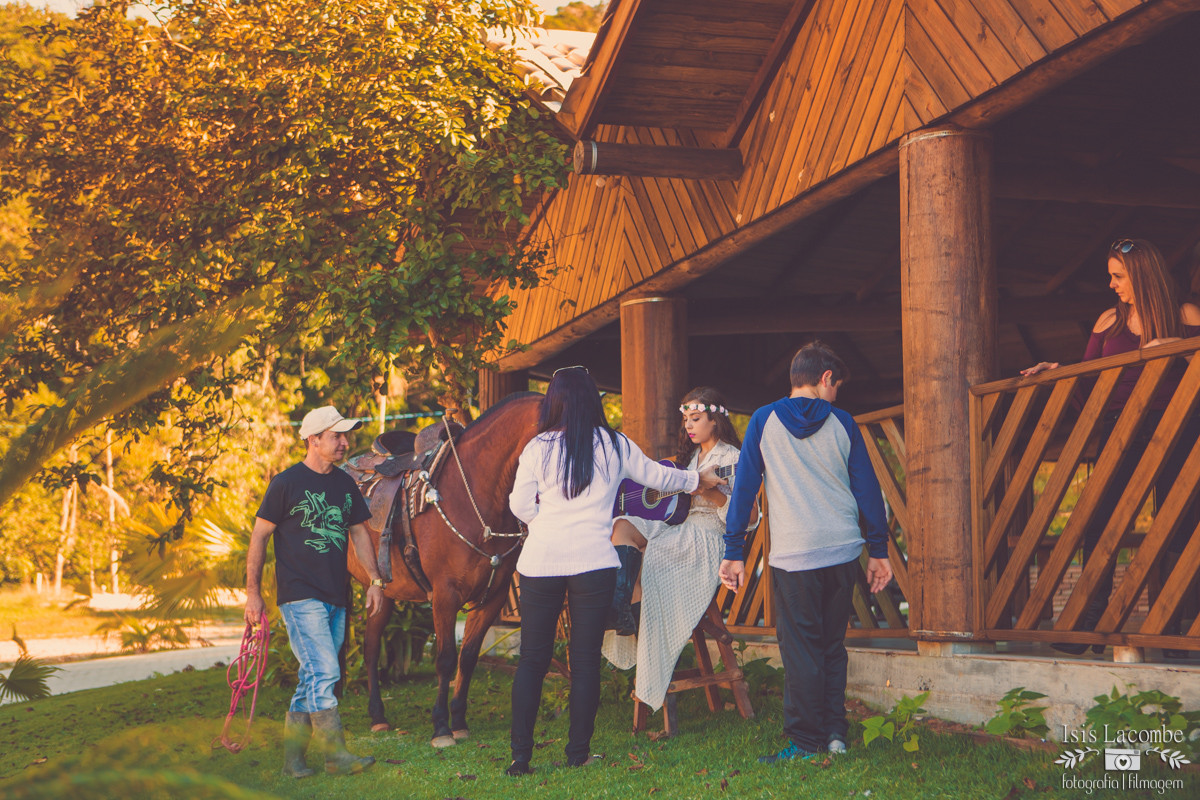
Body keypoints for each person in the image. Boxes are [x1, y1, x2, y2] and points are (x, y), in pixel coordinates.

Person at [505, 366, 723, 777]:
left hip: (540, 562)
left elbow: (519, 506)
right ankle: (578, 754)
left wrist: (546, 521)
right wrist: (698, 478)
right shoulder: (615, 444)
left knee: (532, 659)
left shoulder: (537, 447)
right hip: (594, 563)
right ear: (593, 400)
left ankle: (521, 758)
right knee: (585, 660)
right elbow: (660, 477)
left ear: (554, 400)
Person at [1022, 238, 1200, 656]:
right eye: (1110, 276)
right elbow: (1088, 380)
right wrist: (1058, 372)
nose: (1112, 285)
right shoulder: (1107, 322)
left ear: (1142, 273)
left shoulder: (1186, 315)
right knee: (1098, 520)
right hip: (1118, 430)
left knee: (1177, 524)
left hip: (1177, 428)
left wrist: (1179, 349)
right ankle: (1090, 623)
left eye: (1118, 276)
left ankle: (1176, 628)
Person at [722, 342, 892, 762]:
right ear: (826, 378)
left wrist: (734, 550)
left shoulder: (763, 420)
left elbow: (744, 490)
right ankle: (835, 733)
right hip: (841, 552)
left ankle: (805, 741)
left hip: (794, 556)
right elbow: (867, 490)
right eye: (836, 387)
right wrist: (878, 550)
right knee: (832, 645)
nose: (836, 396)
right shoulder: (844, 423)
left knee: (801, 650)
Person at [245, 405, 387, 778]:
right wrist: (253, 594)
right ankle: (335, 756)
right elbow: (259, 536)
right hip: (299, 594)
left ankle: (293, 762)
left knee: (313, 677)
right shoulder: (286, 484)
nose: (345, 442)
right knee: (325, 670)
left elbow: (358, 532)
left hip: (335, 595)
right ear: (313, 440)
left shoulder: (344, 484)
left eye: (345, 435)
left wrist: (373, 580)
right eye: (337, 436)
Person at [602, 387, 749, 715]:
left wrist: (709, 492)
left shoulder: (732, 459)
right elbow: (667, 496)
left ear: (716, 419)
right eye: (685, 420)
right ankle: (619, 608)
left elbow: (747, 517)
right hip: (677, 525)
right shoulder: (687, 459)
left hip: (706, 537)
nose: (689, 426)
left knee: (652, 556)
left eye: (695, 419)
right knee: (622, 524)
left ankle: (648, 646)